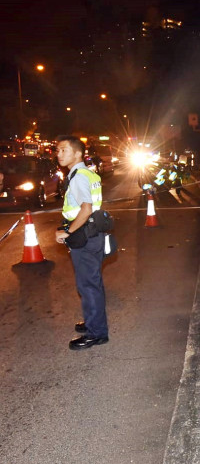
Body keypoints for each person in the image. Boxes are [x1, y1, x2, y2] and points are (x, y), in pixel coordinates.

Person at [54, 136, 109, 350]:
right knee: (90, 283)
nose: (59, 154)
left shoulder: (78, 177)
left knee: (88, 285)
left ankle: (97, 333)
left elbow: (86, 208)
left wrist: (67, 231)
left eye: (63, 150)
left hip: (85, 236)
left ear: (77, 153)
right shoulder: (88, 172)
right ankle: (93, 322)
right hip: (92, 234)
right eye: (58, 150)